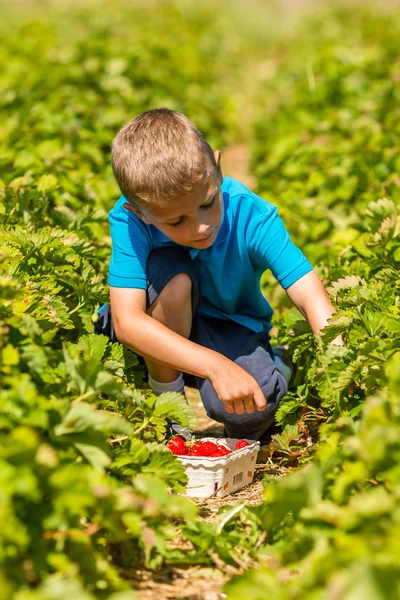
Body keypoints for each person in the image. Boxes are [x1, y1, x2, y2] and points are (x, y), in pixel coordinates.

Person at [95, 108, 339, 441]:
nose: (201, 226)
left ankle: (280, 364)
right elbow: (127, 322)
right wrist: (216, 366)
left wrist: (339, 353)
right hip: (158, 323)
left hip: (228, 326)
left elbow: (307, 290)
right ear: (138, 211)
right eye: (176, 222)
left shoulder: (248, 212)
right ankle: (170, 409)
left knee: (250, 412)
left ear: (218, 169)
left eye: (208, 202)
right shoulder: (130, 221)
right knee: (172, 278)